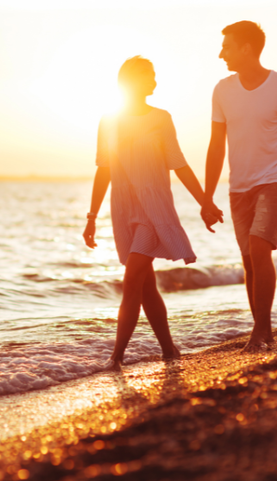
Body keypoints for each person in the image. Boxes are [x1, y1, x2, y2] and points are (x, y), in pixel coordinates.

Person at [83, 56, 222, 370]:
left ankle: (115, 357)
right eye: (149, 76)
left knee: (132, 278)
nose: (155, 82)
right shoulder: (109, 120)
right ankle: (169, 350)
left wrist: (204, 201)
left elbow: (179, 163)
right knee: (146, 285)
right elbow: (103, 170)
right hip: (123, 208)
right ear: (132, 81)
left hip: (153, 208)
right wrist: (91, 217)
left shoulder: (161, 118)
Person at [201, 21, 277, 351]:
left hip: (276, 179)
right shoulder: (222, 90)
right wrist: (207, 197)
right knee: (249, 259)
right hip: (239, 187)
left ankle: (260, 331)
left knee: (260, 248)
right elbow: (216, 146)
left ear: (247, 48)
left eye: (227, 47)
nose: (221, 54)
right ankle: (263, 328)